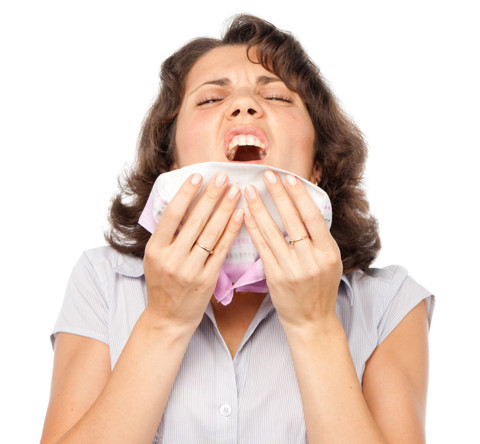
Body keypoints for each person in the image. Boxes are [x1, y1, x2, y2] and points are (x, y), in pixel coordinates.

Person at [41, 14, 434, 444]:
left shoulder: (389, 304)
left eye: (277, 96)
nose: (245, 106)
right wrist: (164, 321)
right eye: (210, 99)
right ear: (173, 161)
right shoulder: (103, 282)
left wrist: (315, 325)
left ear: (317, 166)